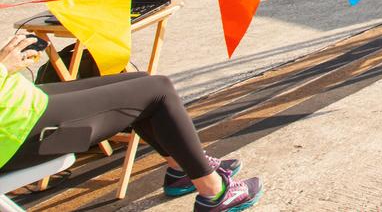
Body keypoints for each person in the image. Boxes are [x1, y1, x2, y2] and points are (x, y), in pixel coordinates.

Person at [0, 34, 263, 211]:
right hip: (18, 133)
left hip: (18, 106)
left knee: (140, 80)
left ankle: (182, 169)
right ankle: (214, 193)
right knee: (158, 91)